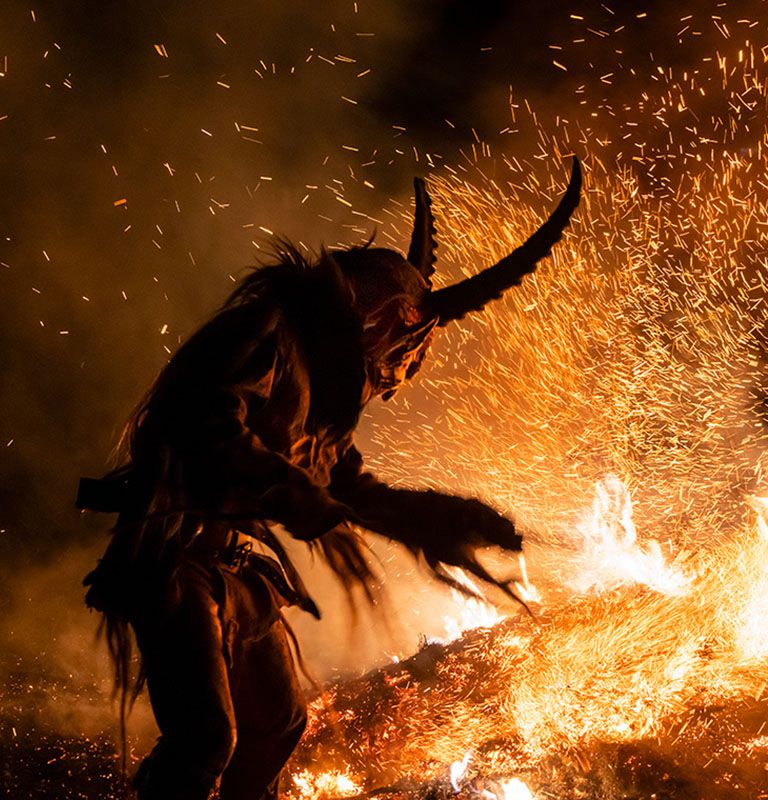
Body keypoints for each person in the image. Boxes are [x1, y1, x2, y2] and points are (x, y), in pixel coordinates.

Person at [79, 159, 581, 800]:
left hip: (239, 575)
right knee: (205, 740)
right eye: (406, 354)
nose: (398, 378)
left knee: (279, 723)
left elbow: (352, 491)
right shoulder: (265, 335)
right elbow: (203, 416)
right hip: (175, 563)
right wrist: (290, 491)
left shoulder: (319, 395)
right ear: (390, 321)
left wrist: (443, 517)